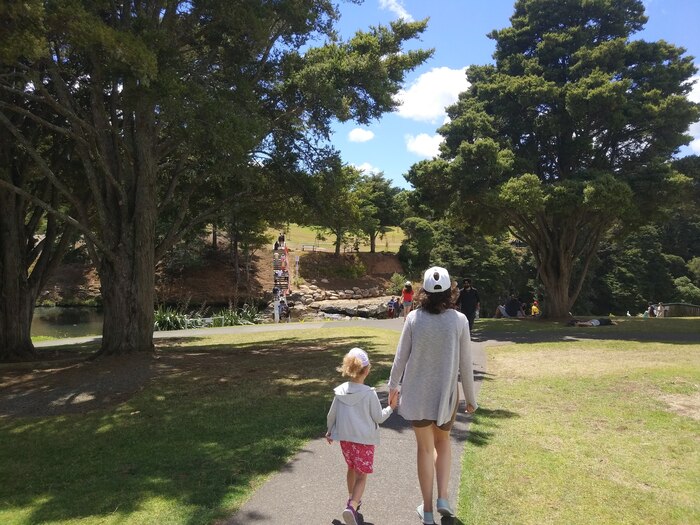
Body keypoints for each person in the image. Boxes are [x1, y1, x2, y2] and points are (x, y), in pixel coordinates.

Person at [388, 267, 478, 525]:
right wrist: (470, 398)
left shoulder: (413, 319)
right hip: (446, 396)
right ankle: (443, 498)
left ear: (423, 291)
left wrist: (393, 388)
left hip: (417, 396)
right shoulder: (459, 320)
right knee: (443, 444)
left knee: (425, 449)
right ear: (451, 291)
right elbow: (465, 363)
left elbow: (400, 357)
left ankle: (427, 510)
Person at [326, 348, 397, 525]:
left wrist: (330, 430)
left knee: (351, 468)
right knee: (362, 475)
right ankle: (352, 507)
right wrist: (391, 407)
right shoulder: (369, 393)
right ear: (366, 370)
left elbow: (331, 415)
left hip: (345, 440)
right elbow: (379, 418)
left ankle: (351, 498)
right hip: (364, 441)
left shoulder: (341, 391)